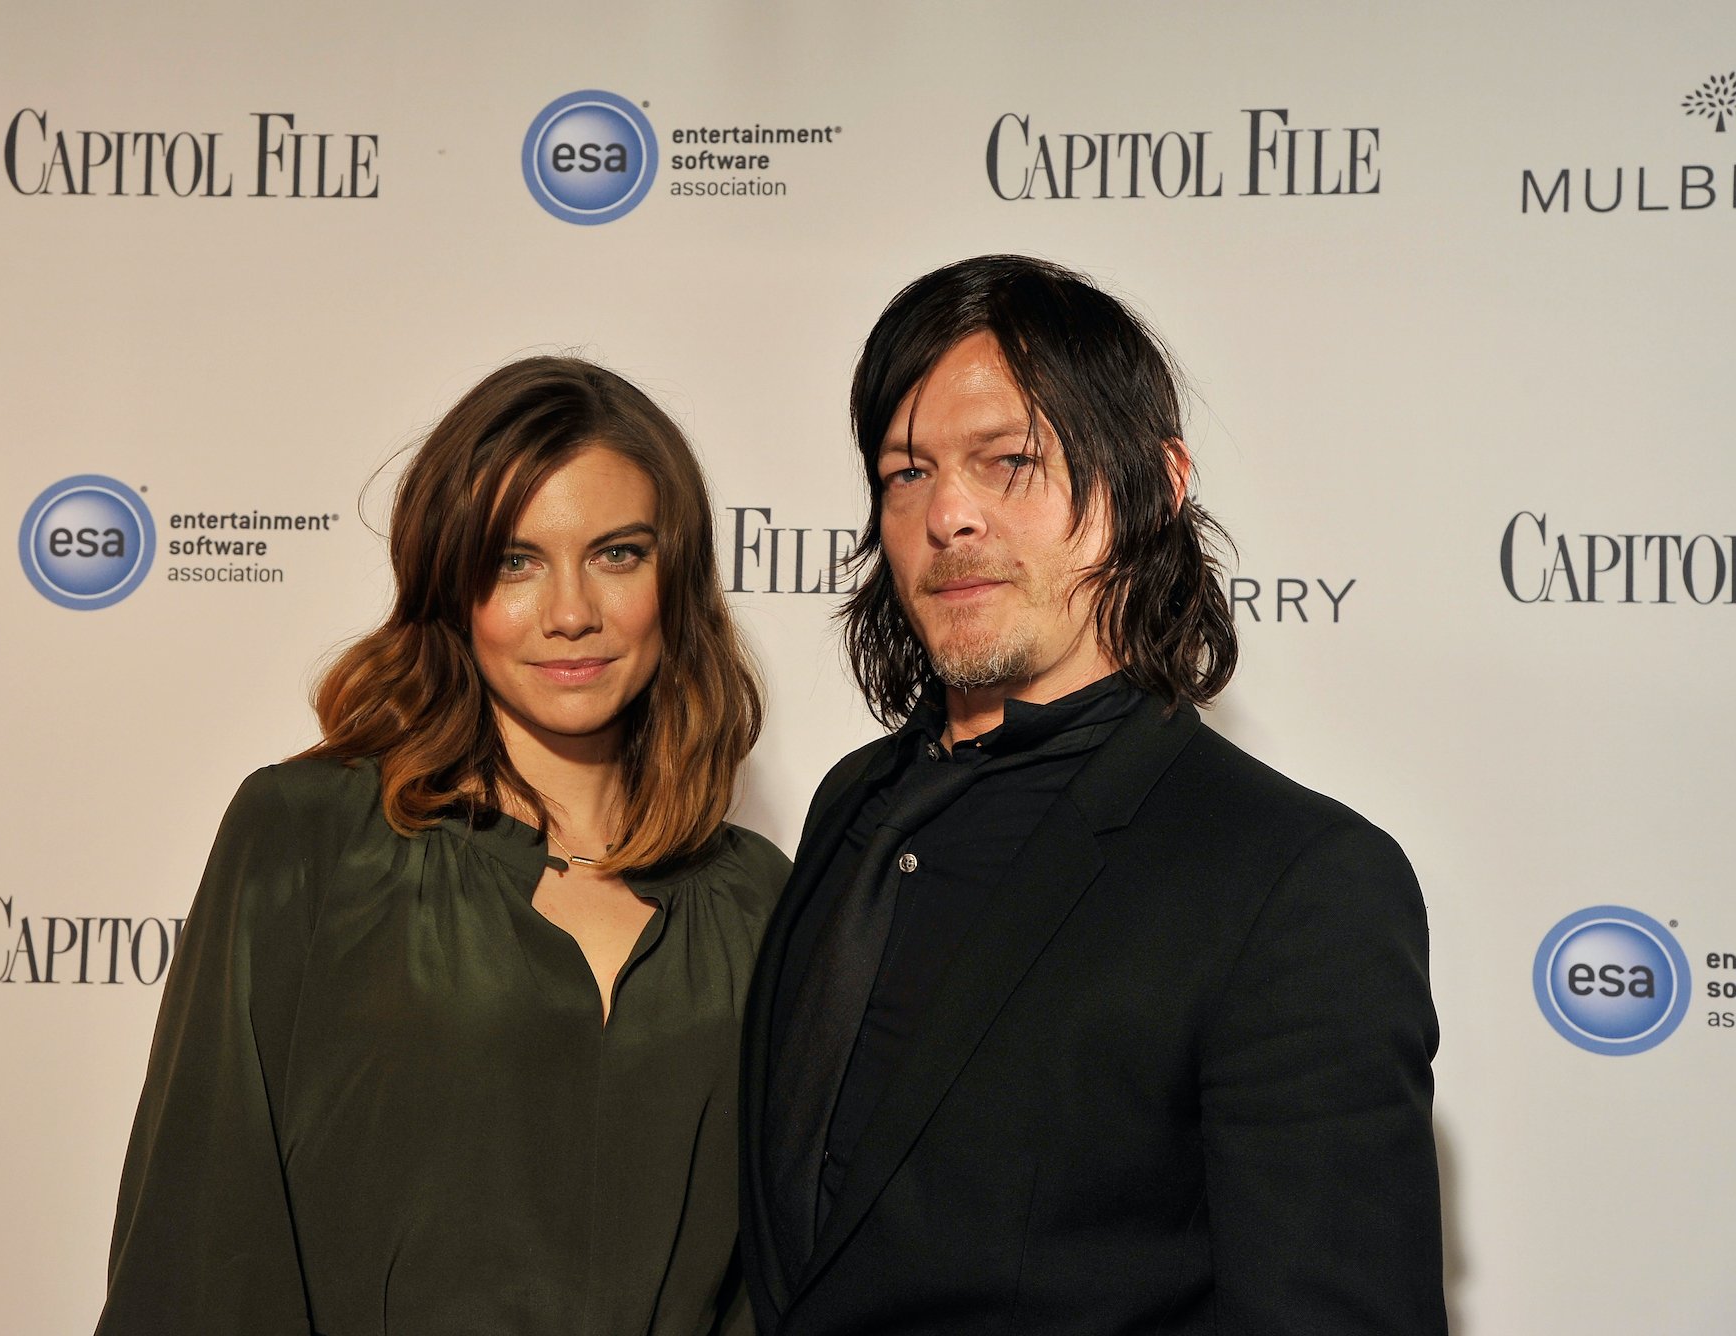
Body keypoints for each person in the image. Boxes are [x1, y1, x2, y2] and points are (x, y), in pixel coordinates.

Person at [740, 255, 1446, 1334]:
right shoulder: (853, 803)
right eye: (906, 472)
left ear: (1156, 483)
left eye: (1009, 461)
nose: (949, 514)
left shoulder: (1294, 882)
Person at [97, 357, 789, 1335]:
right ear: (449, 582)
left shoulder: (758, 899)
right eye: (514, 562)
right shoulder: (311, 839)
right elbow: (201, 1237)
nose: (571, 612)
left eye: (617, 554)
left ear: (674, 579)